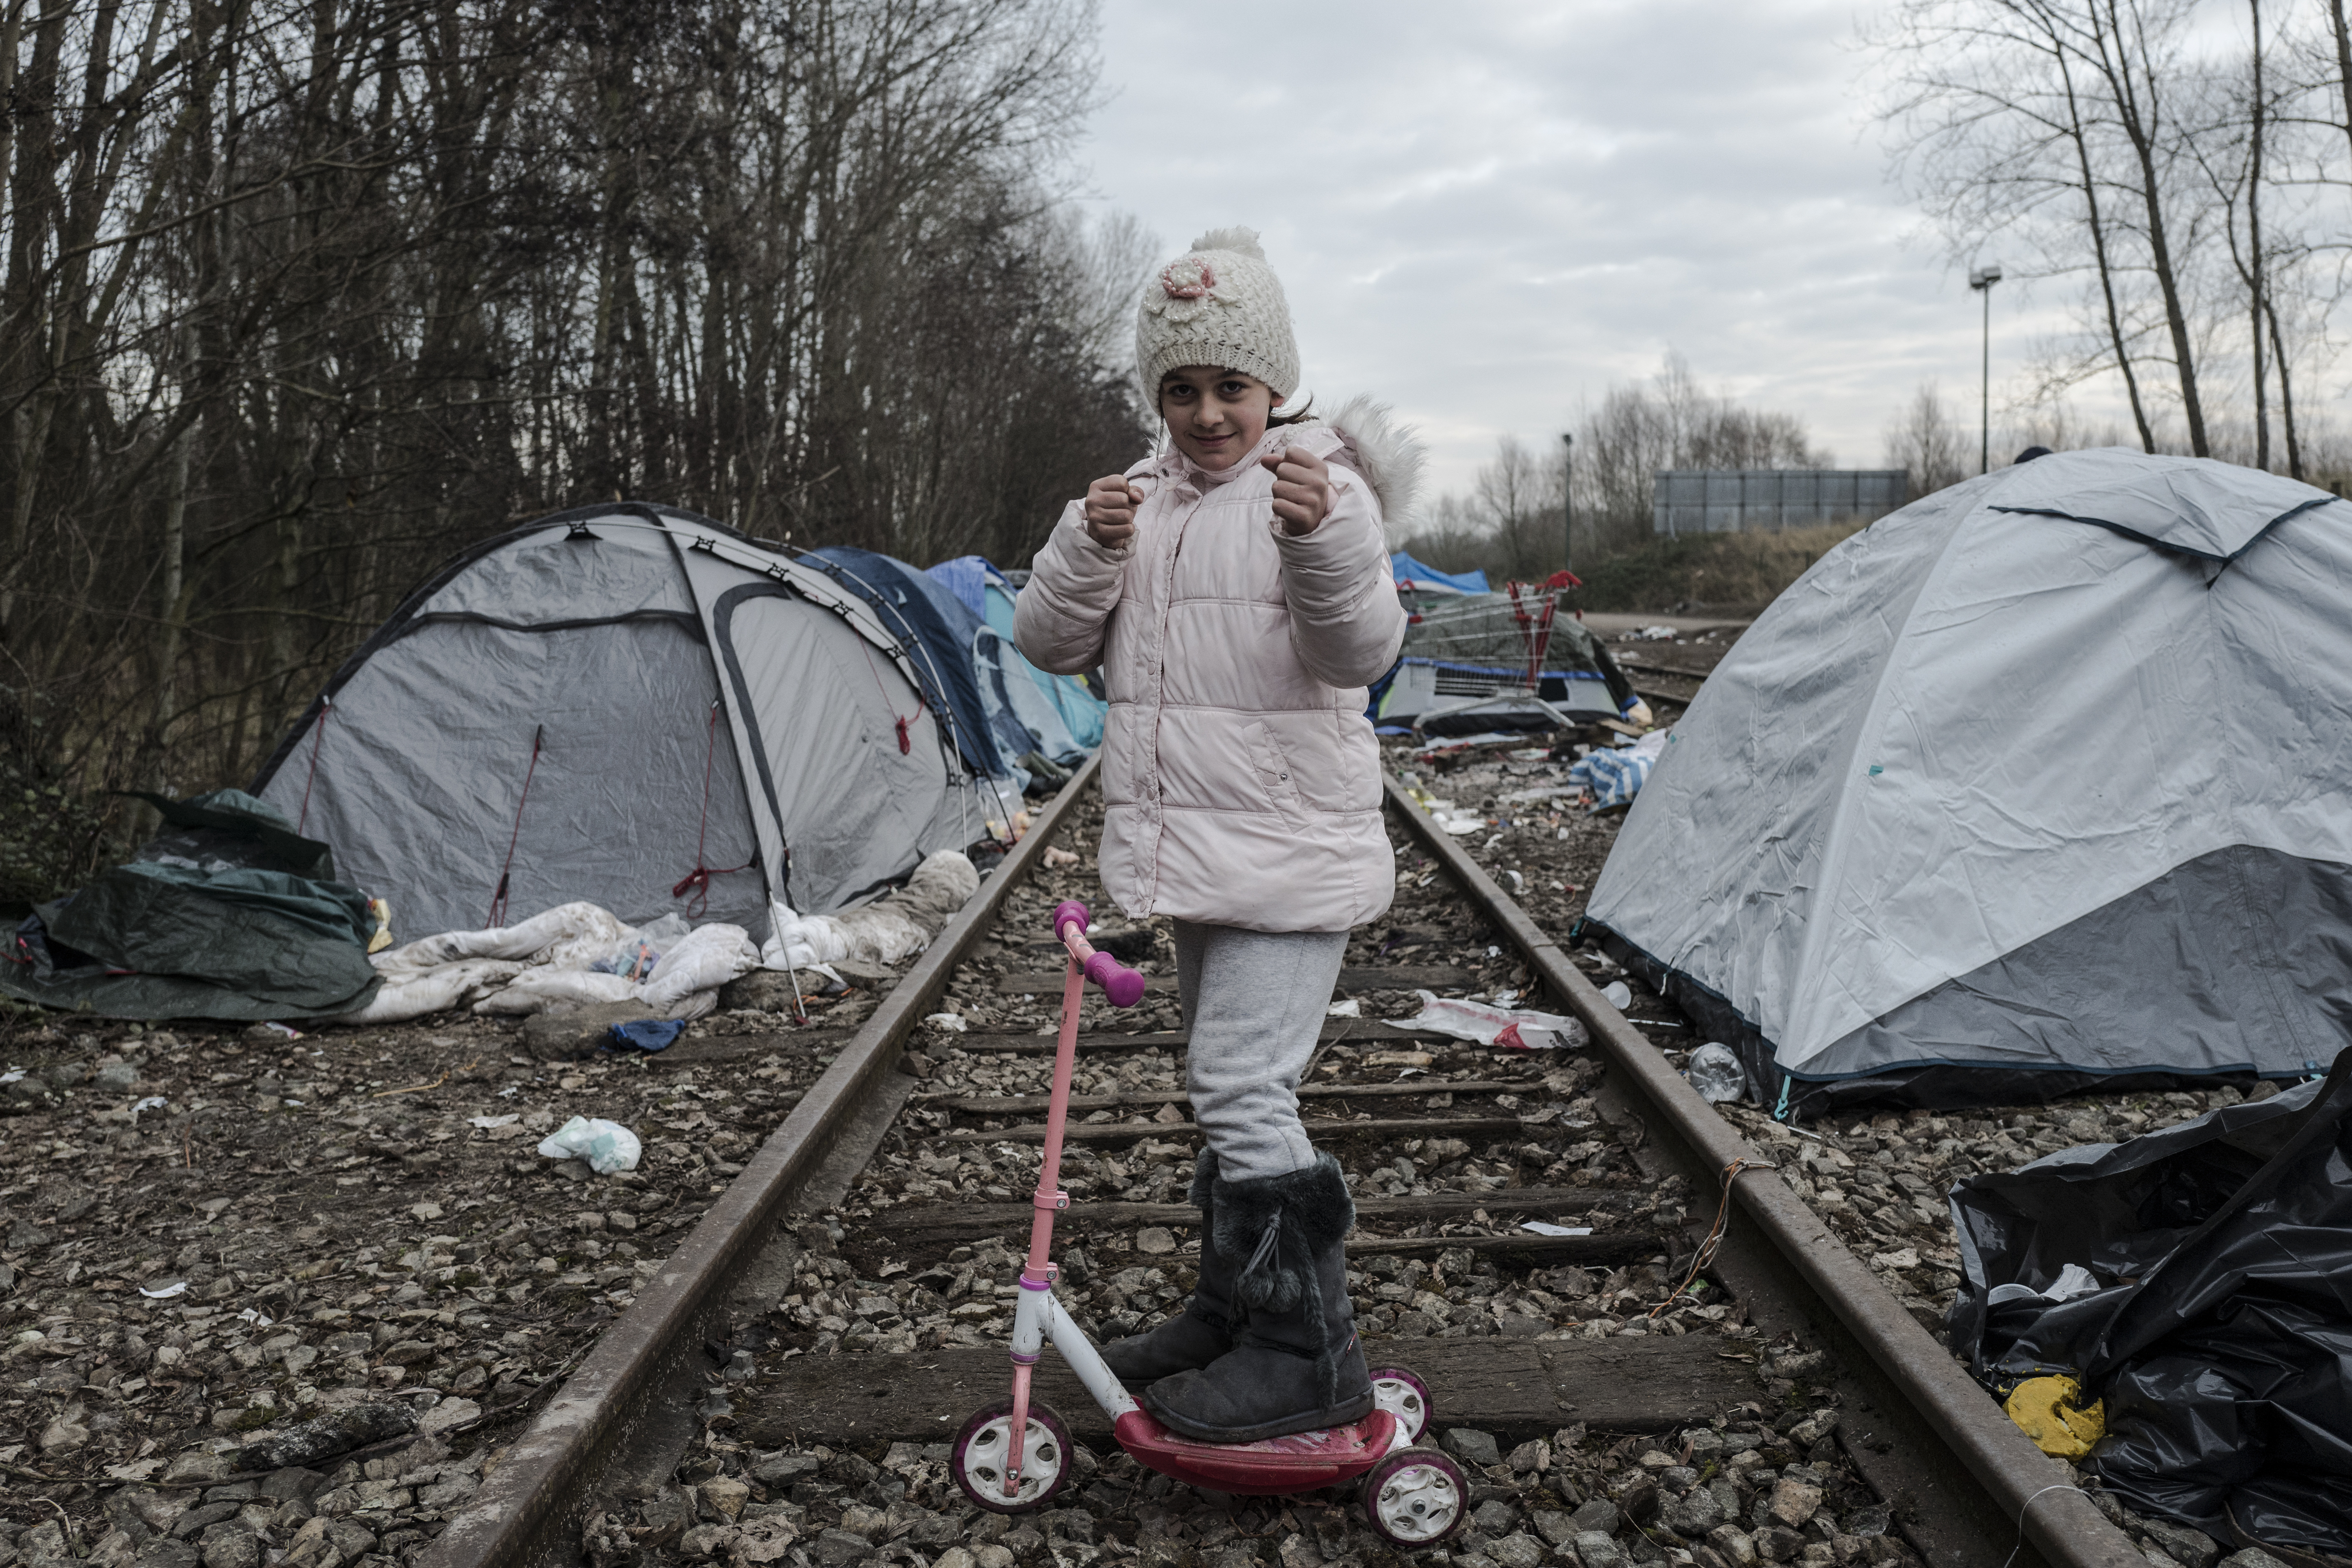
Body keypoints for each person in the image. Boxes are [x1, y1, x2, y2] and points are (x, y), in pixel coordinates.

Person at [1013, 227, 1421, 1444]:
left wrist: (1323, 544)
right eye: (1181, 390)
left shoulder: (1320, 492)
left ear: (1273, 388)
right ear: (1157, 396)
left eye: (1230, 388)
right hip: (1204, 860)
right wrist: (1089, 550)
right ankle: (1236, 1310)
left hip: (1290, 851)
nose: (1205, 415)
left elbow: (1362, 655)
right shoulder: (1137, 505)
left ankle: (1309, 1353)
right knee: (1229, 1089)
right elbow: (1046, 646)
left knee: (1242, 1087)